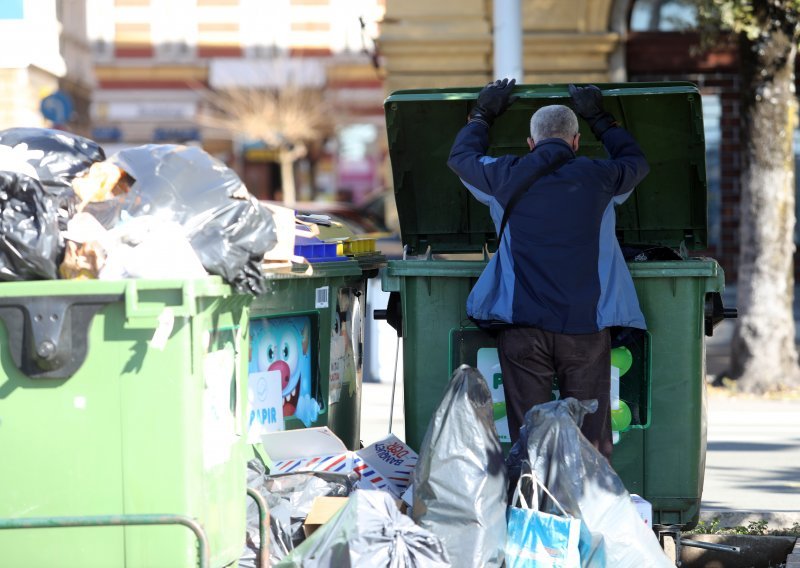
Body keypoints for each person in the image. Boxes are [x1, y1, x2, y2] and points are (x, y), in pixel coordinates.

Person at [446, 79, 650, 460]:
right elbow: (637, 162)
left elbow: (460, 158)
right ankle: (588, 510)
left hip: (522, 328)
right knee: (590, 436)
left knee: (532, 435)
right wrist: (600, 118)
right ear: (575, 142)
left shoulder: (502, 175)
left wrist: (482, 114)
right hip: (585, 329)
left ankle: (534, 511)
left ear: (530, 143)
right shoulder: (600, 178)